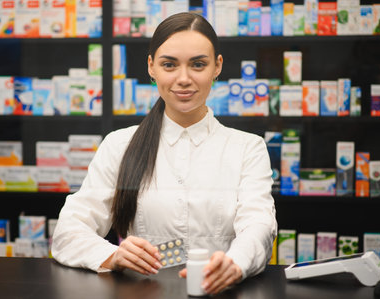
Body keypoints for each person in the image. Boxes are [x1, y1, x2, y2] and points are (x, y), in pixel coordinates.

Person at [52, 12, 277, 295]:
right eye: (169, 64)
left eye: (198, 64)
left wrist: (235, 263)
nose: (183, 79)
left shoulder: (247, 148)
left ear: (217, 67)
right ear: (151, 67)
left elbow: (260, 226)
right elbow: (68, 231)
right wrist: (113, 255)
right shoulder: (119, 144)